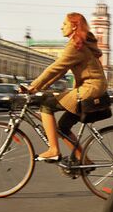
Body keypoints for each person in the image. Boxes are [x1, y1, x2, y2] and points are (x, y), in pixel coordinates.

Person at [22, 12, 108, 161]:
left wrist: (33, 86)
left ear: (74, 26)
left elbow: (55, 67)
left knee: (46, 105)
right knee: (63, 127)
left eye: (64, 24)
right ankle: (84, 161)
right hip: (93, 89)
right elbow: (61, 71)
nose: (61, 27)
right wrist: (38, 87)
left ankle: (53, 150)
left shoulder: (76, 45)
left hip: (89, 90)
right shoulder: (82, 43)